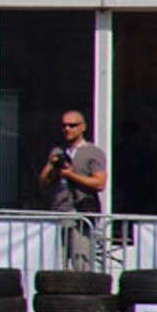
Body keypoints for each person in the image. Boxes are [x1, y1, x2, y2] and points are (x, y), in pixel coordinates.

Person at [40, 109, 107, 268]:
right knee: (58, 261)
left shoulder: (93, 152)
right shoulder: (58, 151)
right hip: (59, 211)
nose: (67, 129)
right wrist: (52, 166)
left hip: (81, 214)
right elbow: (42, 183)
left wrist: (71, 175)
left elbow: (99, 183)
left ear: (82, 127)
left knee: (80, 260)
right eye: (64, 126)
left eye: (72, 125)